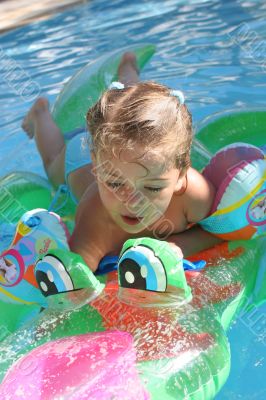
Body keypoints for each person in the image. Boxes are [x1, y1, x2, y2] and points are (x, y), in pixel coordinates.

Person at [22, 52, 221, 272]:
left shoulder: (194, 194)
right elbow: (76, 286)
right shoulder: (94, 222)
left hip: (118, 149)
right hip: (77, 162)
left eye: (152, 187)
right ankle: (40, 114)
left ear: (181, 175)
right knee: (52, 161)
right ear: (97, 168)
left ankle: (128, 67)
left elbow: (221, 230)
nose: (132, 201)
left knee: (134, 103)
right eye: (115, 184)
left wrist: (177, 246)